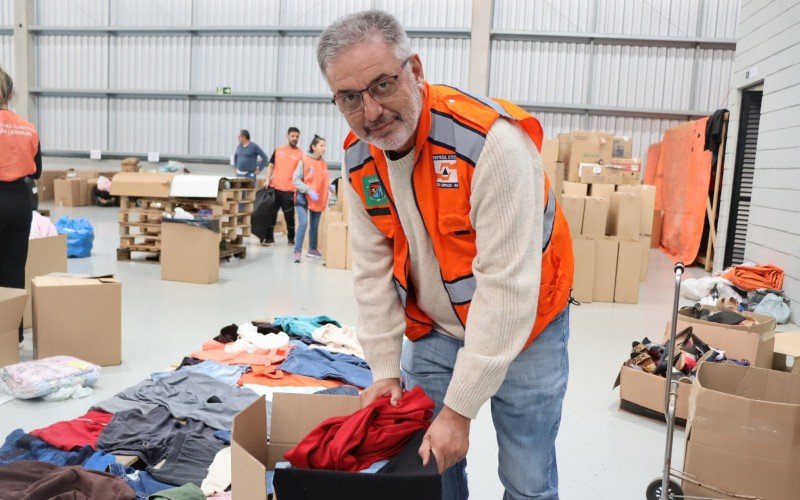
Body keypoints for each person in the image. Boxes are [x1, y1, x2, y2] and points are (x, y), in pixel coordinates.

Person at [317, 11, 574, 500]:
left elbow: (506, 288)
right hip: (434, 329)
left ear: (415, 70)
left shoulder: (489, 144)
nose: (371, 112)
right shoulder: (357, 160)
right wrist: (385, 371)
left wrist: (459, 411)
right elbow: (372, 274)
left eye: (383, 84)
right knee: (427, 470)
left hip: (527, 327)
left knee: (526, 474)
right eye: (350, 98)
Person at [0, 66, 42, 343]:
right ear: (12, 94)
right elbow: (37, 171)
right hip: (18, 202)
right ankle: (10, 333)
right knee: (14, 266)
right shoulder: (28, 128)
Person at [291, 135, 330, 263]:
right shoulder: (304, 160)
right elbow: (295, 180)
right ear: (313, 147)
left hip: (317, 197)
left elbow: (322, 179)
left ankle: (312, 249)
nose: (324, 148)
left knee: (315, 225)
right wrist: (308, 190)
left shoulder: (323, 163)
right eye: (321, 145)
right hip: (303, 197)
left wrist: (329, 186)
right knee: (303, 223)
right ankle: (297, 252)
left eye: (325, 145)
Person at [263, 127, 303, 246]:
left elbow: (302, 174)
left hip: (289, 190)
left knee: (289, 217)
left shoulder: (300, 154)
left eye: (297, 137)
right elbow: (270, 166)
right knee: (271, 215)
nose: (294, 138)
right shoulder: (278, 150)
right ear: (288, 136)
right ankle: (269, 238)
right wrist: (266, 180)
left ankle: (291, 239)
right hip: (275, 188)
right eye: (292, 136)